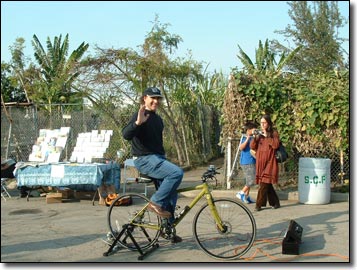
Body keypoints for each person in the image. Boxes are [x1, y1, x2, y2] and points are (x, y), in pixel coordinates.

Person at [122, 86, 184, 243]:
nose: (156, 101)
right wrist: (137, 123)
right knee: (176, 173)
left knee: (171, 194)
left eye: (158, 99)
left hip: (157, 158)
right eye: (152, 98)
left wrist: (163, 158)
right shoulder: (140, 115)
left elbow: (156, 143)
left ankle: (167, 229)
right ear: (145, 98)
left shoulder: (158, 119)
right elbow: (126, 134)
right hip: (144, 159)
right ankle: (155, 202)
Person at [250, 114, 280, 211]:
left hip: (270, 163)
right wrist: (255, 137)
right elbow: (252, 146)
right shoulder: (259, 134)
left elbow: (275, 145)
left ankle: (258, 205)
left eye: (264, 123)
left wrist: (267, 136)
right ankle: (275, 202)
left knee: (263, 184)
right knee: (267, 184)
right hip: (260, 163)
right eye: (261, 123)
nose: (262, 125)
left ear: (268, 123)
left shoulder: (273, 133)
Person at [236, 121, 258, 204]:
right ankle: (241, 193)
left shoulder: (254, 137)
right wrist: (248, 138)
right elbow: (241, 148)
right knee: (251, 180)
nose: (254, 131)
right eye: (253, 129)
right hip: (246, 162)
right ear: (248, 130)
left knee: (249, 179)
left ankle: (246, 196)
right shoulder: (244, 137)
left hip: (252, 161)